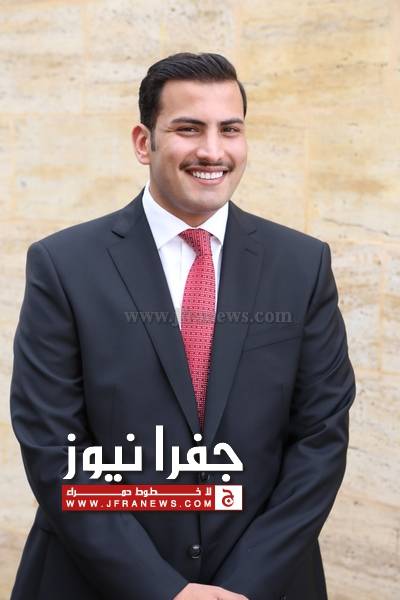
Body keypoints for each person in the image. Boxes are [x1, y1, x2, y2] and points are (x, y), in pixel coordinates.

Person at [10, 52, 356, 600]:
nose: (213, 151)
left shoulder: (303, 264)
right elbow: (55, 446)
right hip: (96, 582)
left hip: (265, 583)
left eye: (230, 129)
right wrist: (161, 589)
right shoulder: (63, 265)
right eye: (189, 128)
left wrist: (244, 585)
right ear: (143, 142)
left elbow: (320, 440)